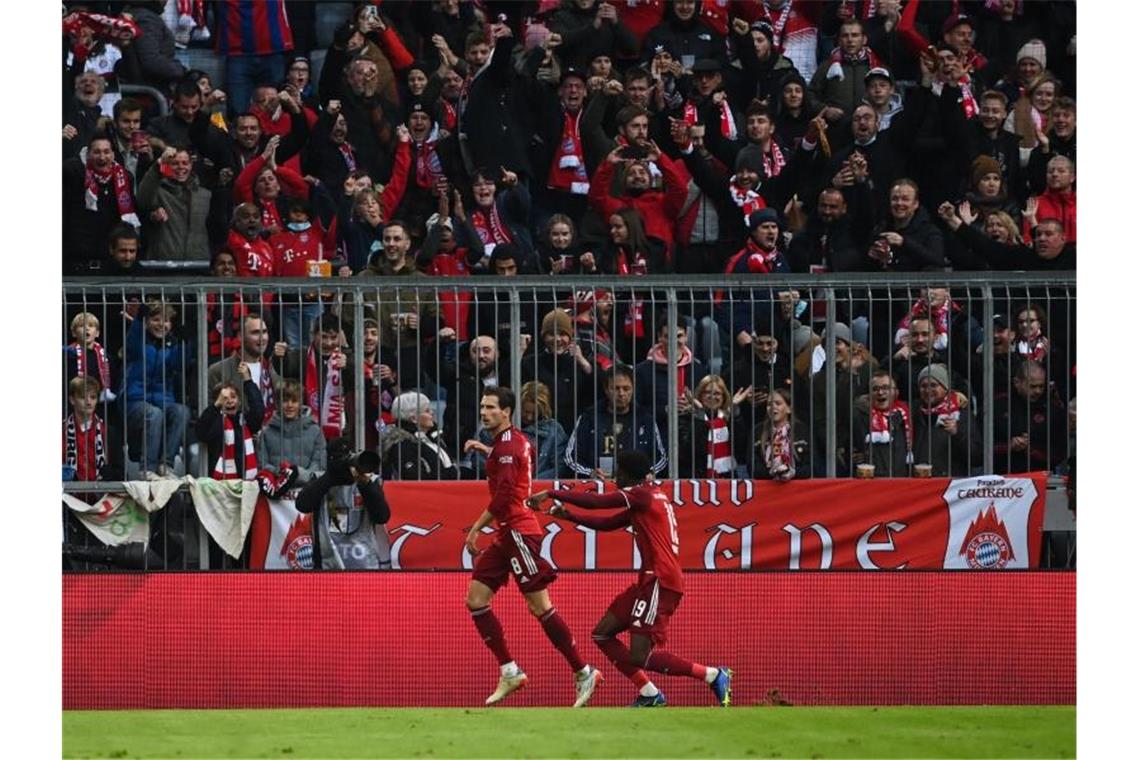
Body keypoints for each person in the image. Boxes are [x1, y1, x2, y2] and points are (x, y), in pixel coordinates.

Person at [526, 449, 733, 708]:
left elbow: (597, 503)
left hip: (660, 580)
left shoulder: (640, 495)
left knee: (639, 656)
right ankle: (649, 693)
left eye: (617, 472)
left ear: (626, 474)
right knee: (603, 633)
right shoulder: (649, 497)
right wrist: (570, 516)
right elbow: (609, 523)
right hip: (649, 581)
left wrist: (552, 492)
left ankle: (713, 675)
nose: (614, 477)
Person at [460, 387, 602, 707]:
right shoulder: (513, 442)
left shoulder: (508, 446)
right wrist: (491, 453)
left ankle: (583, 671)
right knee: (476, 599)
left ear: (507, 411)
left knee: (540, 607)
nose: (484, 412)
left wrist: (475, 530)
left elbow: (505, 495)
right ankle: (510, 671)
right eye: (482, 406)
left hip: (519, 533)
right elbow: (521, 463)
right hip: (507, 534)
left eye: (491, 407)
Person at [123, 300, 192, 480]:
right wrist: (138, 319)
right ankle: (147, 469)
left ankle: (165, 466)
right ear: (146, 322)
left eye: (166, 320)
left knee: (182, 412)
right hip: (134, 401)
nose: (162, 324)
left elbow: (179, 364)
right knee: (154, 414)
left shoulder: (171, 345)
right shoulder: (139, 341)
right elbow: (132, 343)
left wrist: (184, 343)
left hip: (163, 401)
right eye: (155, 319)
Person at [565, 364, 668, 480]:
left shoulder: (645, 419)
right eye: (616, 388)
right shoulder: (589, 418)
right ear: (606, 390)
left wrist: (650, 472)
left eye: (626, 388)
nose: (621, 394)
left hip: (636, 486)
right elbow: (571, 458)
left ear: (633, 389)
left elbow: (661, 458)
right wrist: (591, 473)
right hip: (598, 489)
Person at [992, 360, 1067, 475]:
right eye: (1032, 386)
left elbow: (1060, 451)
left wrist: (1032, 449)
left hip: (1042, 478)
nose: (1037, 391)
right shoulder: (999, 405)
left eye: (1041, 386)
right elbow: (983, 446)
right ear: (1017, 382)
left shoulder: (1052, 410)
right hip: (1003, 479)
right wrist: (1009, 446)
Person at [207, 312, 281, 427]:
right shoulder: (218, 371)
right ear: (240, 336)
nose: (262, 338)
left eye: (265, 332)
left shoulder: (275, 369)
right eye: (255, 333)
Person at [910, 364, 979, 477]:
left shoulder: (961, 413)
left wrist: (957, 433)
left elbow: (976, 456)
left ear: (945, 387)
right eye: (923, 386)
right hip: (918, 481)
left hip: (949, 483)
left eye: (933, 385)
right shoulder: (912, 411)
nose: (928, 390)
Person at [196, 374, 265, 482]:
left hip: (246, 483)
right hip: (221, 484)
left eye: (233, 397)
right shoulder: (217, 422)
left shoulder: (245, 422)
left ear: (239, 400)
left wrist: (248, 381)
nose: (229, 401)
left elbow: (259, 412)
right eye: (224, 398)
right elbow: (201, 431)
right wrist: (216, 405)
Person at [258, 379, 327, 484]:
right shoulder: (266, 432)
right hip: (276, 492)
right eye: (285, 401)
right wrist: (280, 473)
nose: (290, 405)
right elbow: (262, 464)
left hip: (307, 490)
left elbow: (319, 463)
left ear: (300, 402)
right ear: (278, 403)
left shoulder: (315, 431)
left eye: (294, 401)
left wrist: (302, 475)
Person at [380, 391, 460, 481]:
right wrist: (453, 473)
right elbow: (416, 477)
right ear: (414, 418)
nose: (432, 412)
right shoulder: (402, 445)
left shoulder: (431, 437)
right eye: (427, 410)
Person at [851, 370, 912, 478]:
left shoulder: (906, 414)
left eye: (885, 388)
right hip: (870, 481)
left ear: (896, 392)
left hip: (902, 481)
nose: (880, 392)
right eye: (875, 389)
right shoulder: (858, 416)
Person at [752, 387, 812, 481]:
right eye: (769, 404)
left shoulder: (802, 430)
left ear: (789, 409)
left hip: (797, 488)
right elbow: (752, 466)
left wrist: (793, 473)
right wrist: (771, 472)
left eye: (778, 403)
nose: (772, 407)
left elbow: (811, 466)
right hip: (767, 488)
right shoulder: (757, 431)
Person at [63, 376, 109, 483]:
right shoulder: (61, 431)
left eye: (93, 397)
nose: (89, 402)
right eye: (83, 397)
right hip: (66, 496)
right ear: (72, 400)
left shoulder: (107, 431)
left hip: (102, 495)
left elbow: (118, 470)